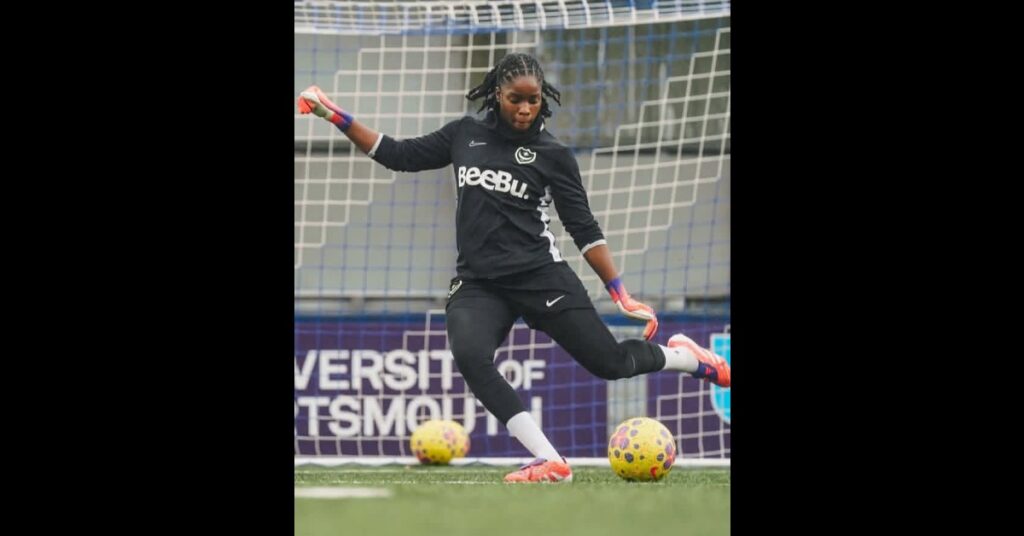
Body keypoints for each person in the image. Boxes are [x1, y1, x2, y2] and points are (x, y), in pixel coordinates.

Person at [298, 52, 730, 483]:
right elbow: (397, 154)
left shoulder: (553, 154)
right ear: (496, 95)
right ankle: (551, 461)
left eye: (533, 100)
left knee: (611, 364)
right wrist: (333, 115)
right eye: (514, 99)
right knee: (470, 354)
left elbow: (584, 228)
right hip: (479, 283)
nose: (524, 109)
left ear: (544, 99)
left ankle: (685, 357)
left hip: (542, 278)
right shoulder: (464, 134)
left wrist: (619, 291)